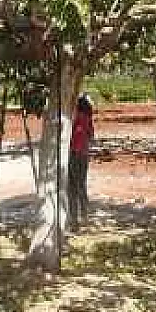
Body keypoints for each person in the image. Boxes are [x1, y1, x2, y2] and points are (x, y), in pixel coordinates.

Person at [67, 93, 94, 230]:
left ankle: (74, 220)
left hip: (73, 154)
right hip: (84, 154)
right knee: (81, 185)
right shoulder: (88, 118)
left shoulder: (74, 117)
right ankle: (85, 216)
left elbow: (68, 134)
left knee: (71, 187)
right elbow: (91, 136)